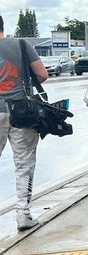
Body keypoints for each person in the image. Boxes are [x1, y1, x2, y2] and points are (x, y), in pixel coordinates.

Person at [0, 14, 49, 230]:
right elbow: (43, 75)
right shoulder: (21, 45)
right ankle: (23, 215)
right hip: (22, 111)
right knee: (24, 164)